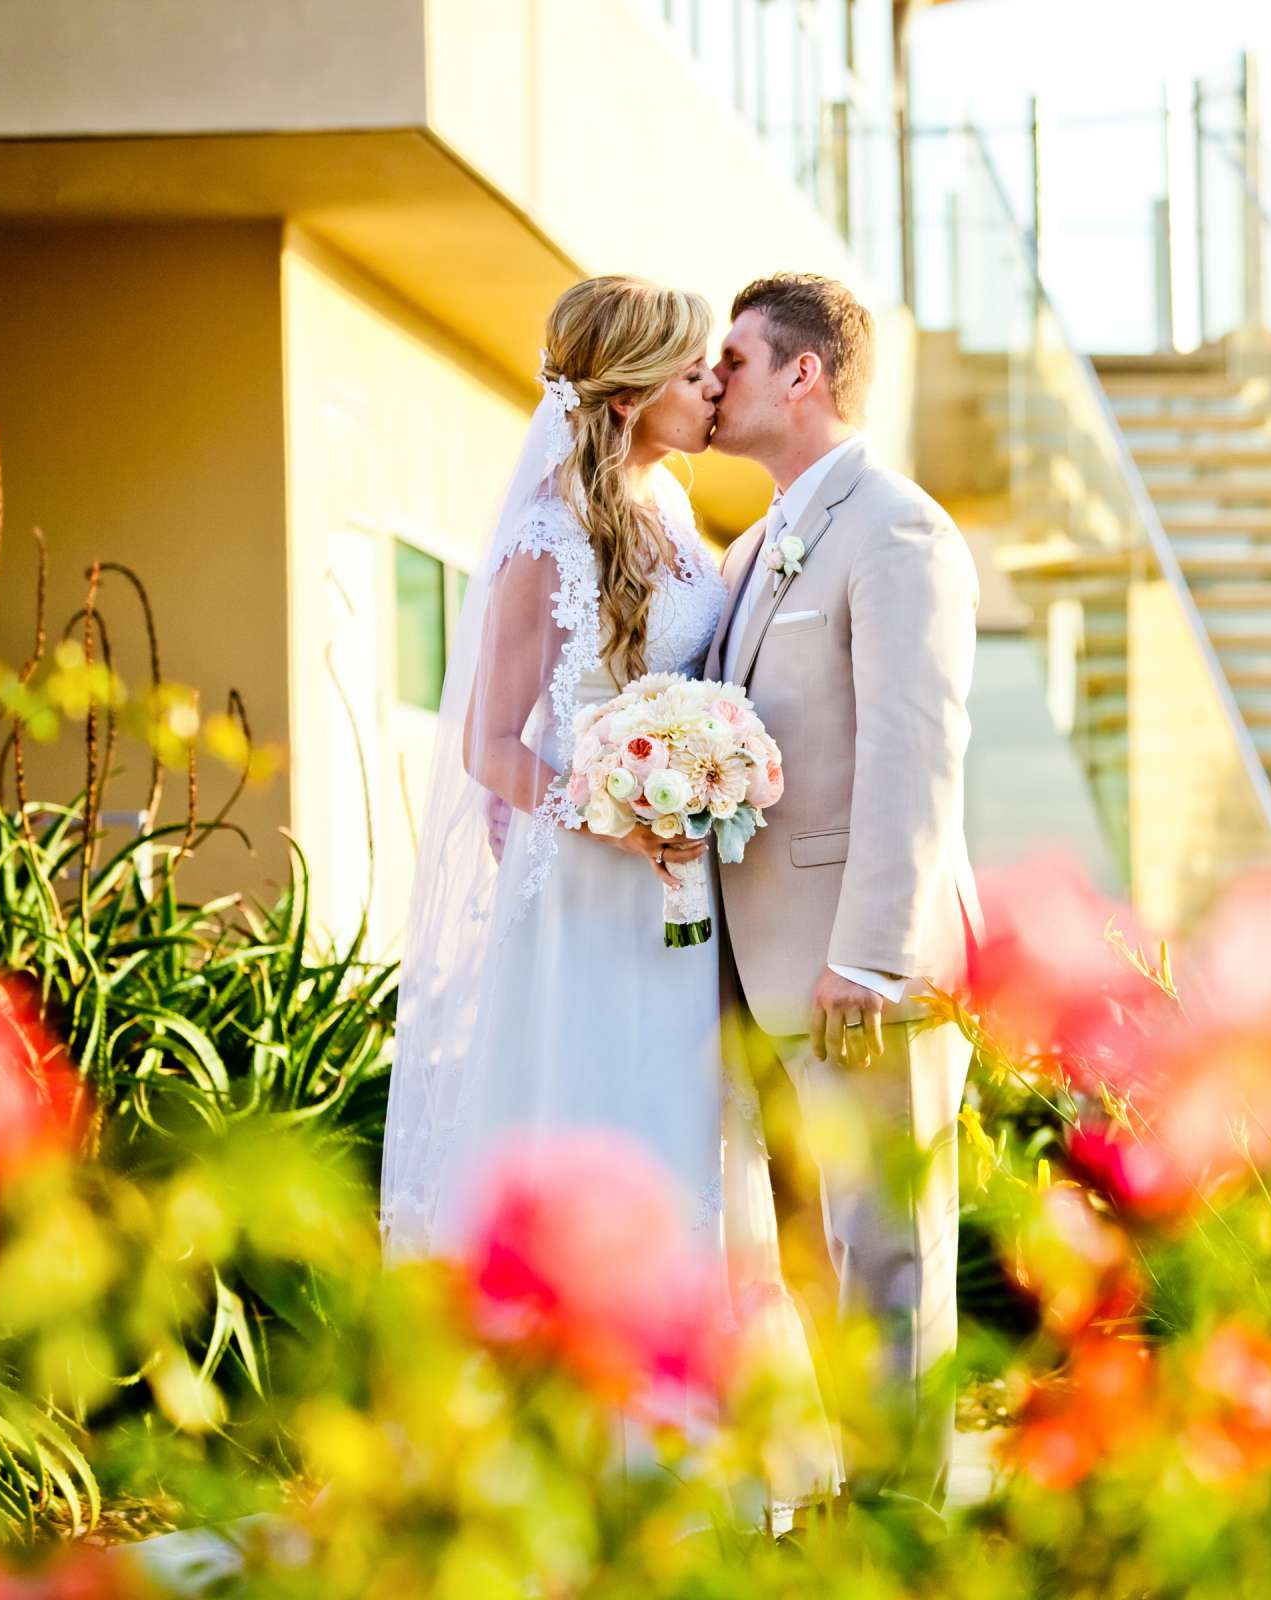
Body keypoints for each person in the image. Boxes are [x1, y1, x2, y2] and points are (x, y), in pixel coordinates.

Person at [380, 274, 835, 1516]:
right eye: (695, 371)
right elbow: (491, 744)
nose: (712, 388)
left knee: (687, 1141)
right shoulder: (544, 536)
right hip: (586, 900)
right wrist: (616, 807)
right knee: (597, 1133)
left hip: (676, 905)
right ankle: (581, 1449)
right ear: (633, 390)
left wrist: (701, 774)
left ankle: (694, 1442)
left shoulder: (676, 507)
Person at [706, 272, 980, 1506]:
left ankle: (906, 1534)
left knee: (888, 1266)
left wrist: (872, 953)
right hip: (765, 974)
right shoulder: (756, 544)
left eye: (738, 361)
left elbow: (914, 749)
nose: (715, 384)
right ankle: (852, 1516)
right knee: (816, 1268)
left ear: (804, 375)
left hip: (862, 974)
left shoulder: (900, 529)